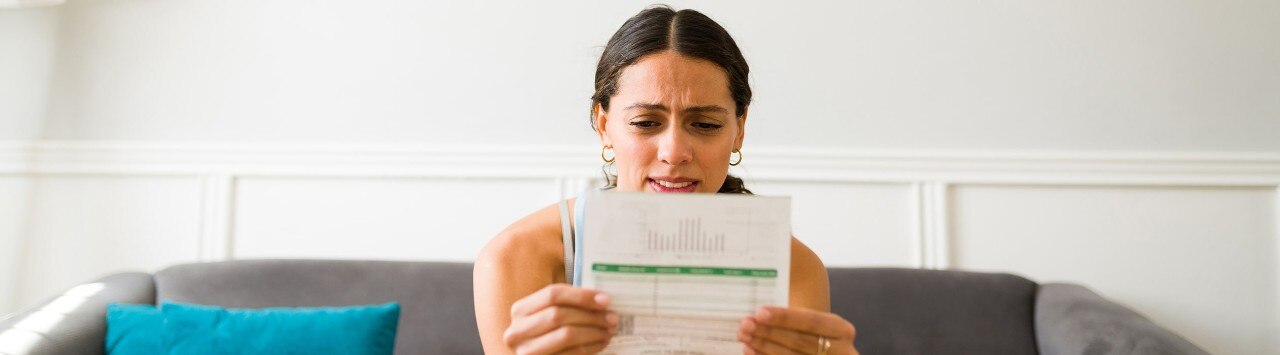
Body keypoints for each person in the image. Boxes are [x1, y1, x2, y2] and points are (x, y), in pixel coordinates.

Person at [474, 6, 858, 355]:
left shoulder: (793, 269)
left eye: (705, 124)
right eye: (645, 123)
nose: (674, 152)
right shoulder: (517, 258)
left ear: (739, 130)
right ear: (603, 126)